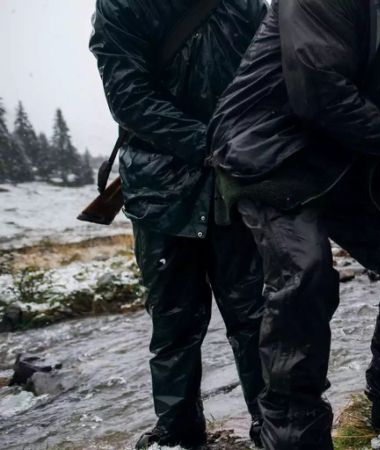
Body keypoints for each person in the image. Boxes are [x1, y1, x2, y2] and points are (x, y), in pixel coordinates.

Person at [208, 0, 380, 447]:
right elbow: (319, 92)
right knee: (306, 275)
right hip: (269, 158)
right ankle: (296, 435)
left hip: (341, 162)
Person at [89, 0, 268, 447]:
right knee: (173, 325)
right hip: (160, 195)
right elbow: (129, 98)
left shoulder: (244, 4)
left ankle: (275, 426)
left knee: (255, 318)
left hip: (235, 187)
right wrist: (213, 144)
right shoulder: (119, 7)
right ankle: (178, 434)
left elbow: (270, 71)